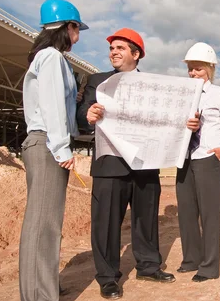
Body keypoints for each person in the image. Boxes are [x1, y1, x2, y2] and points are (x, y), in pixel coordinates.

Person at [76, 28, 175, 300]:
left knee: (146, 219)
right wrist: (89, 113)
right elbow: (80, 112)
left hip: (145, 162)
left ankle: (148, 266)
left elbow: (167, 118)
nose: (114, 52)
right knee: (106, 223)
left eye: (120, 48)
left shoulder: (153, 86)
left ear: (136, 54)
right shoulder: (98, 81)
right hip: (109, 163)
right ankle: (108, 278)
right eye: (112, 48)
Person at [19, 0, 89, 301]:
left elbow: (57, 103)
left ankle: (43, 287)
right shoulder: (51, 57)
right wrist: (62, 150)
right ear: (68, 27)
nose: (78, 35)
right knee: (42, 225)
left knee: (48, 223)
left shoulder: (50, 58)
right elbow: (49, 106)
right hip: (47, 143)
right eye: (77, 29)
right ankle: (37, 296)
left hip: (46, 142)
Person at [177, 42, 220, 282]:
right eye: (190, 69)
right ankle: (191, 259)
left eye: (198, 69)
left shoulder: (219, 94)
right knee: (186, 212)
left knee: (209, 214)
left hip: (208, 158)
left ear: (210, 70)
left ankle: (209, 267)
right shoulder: (182, 95)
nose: (193, 73)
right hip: (185, 158)